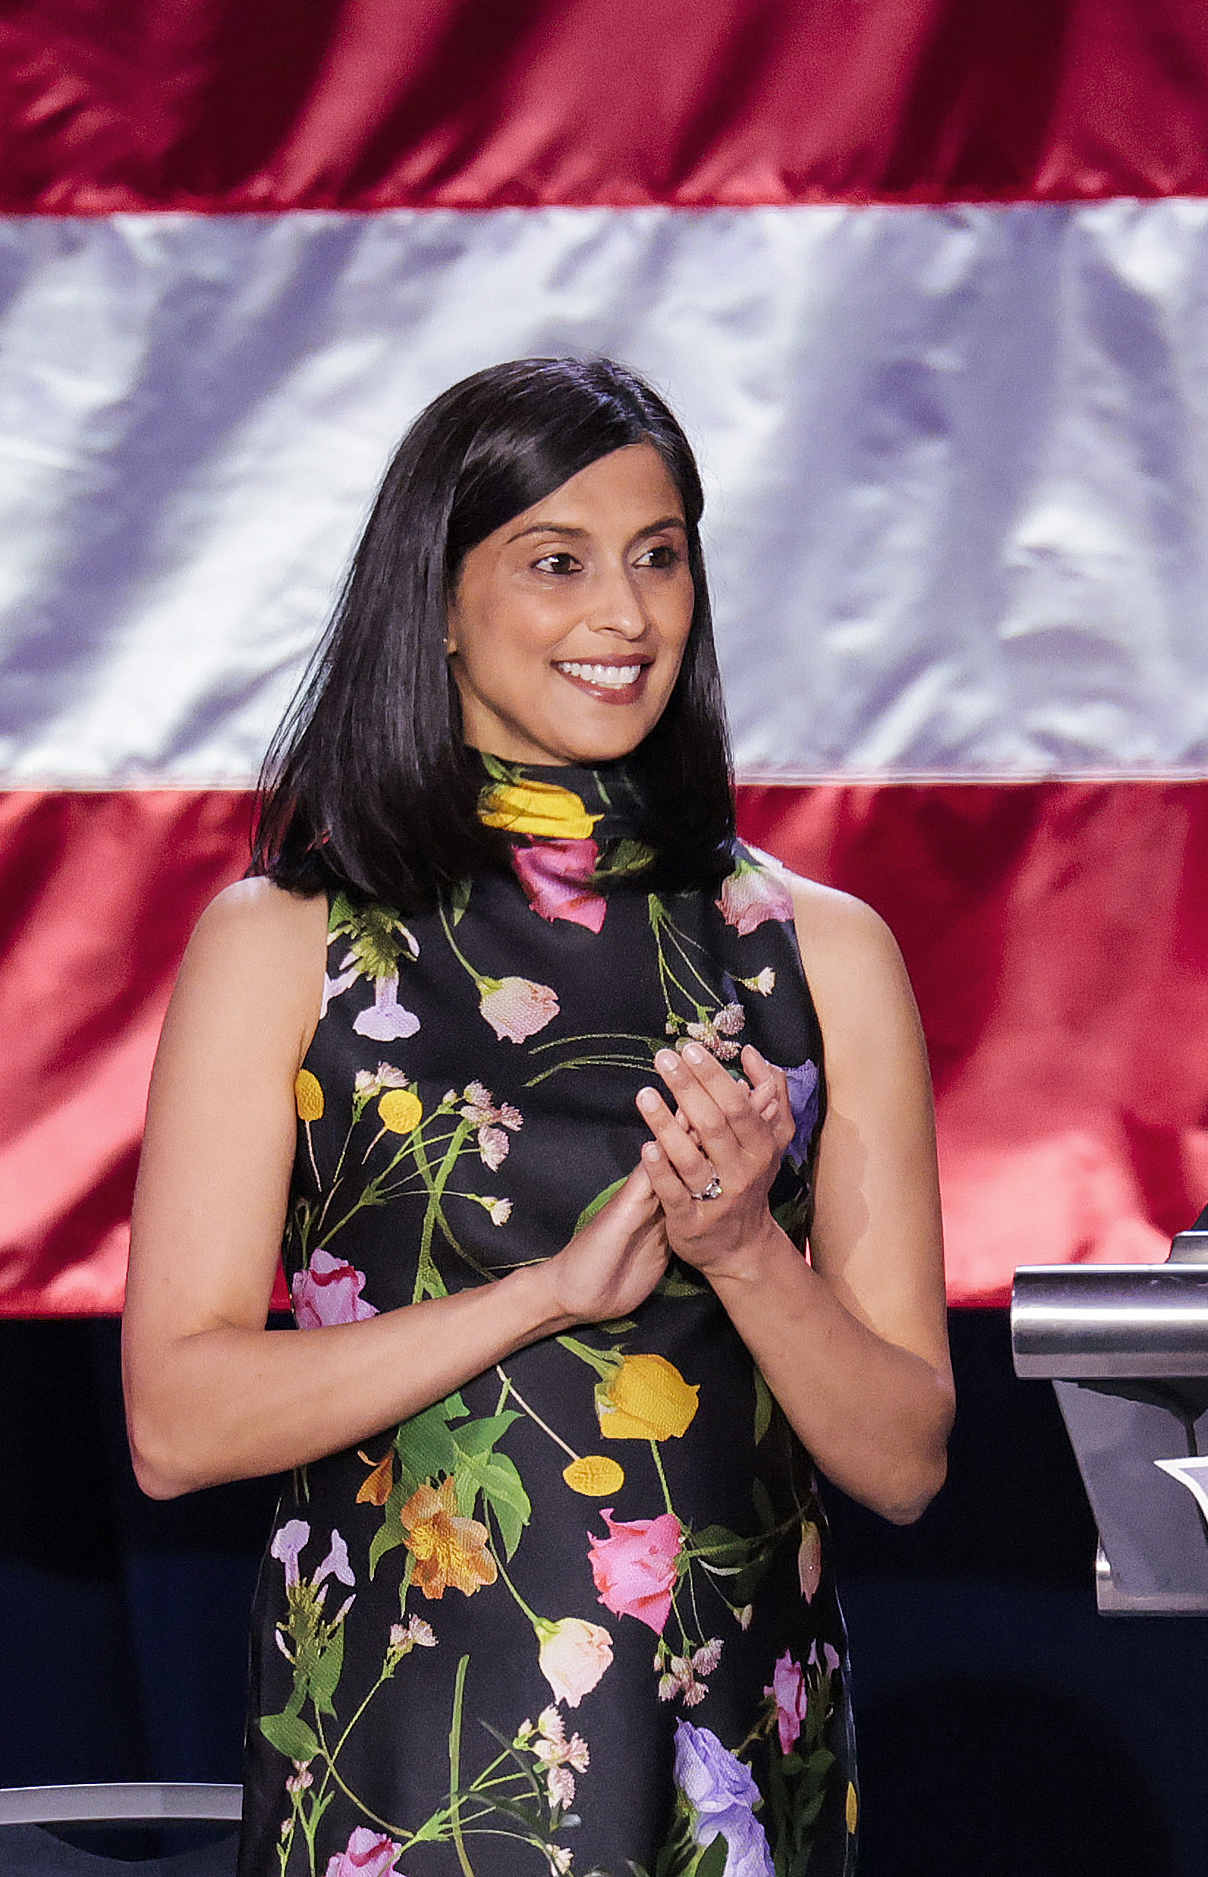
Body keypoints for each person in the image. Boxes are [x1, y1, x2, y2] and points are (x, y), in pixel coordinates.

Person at [122, 358, 953, 1877]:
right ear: (438, 601)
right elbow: (176, 1424)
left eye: (658, 557)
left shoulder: (818, 952)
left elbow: (904, 1460)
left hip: (728, 1761)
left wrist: (745, 1251)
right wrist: (548, 1295)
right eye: (557, 562)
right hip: (406, 1770)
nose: (624, 615)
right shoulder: (288, 942)